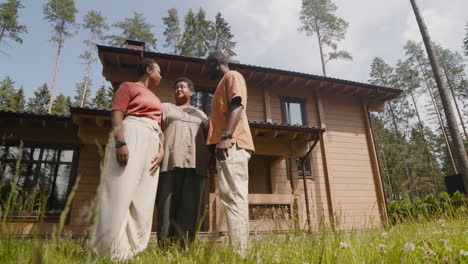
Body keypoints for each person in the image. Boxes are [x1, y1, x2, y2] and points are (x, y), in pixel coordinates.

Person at [92, 58, 164, 260]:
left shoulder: (155, 97)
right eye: (158, 71)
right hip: (132, 133)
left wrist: (162, 150)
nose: (161, 75)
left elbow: (160, 126)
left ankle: (130, 250)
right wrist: (121, 142)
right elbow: (117, 114)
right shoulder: (128, 87)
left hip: (153, 140)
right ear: (148, 70)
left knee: (144, 197)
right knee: (119, 190)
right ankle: (107, 249)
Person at [205, 51, 255, 256]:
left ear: (216, 63)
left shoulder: (232, 76)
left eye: (207, 66)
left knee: (234, 197)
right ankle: (240, 249)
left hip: (232, 143)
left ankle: (240, 252)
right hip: (226, 146)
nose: (205, 70)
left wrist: (226, 136)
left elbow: (238, 104)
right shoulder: (222, 83)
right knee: (230, 197)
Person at [156, 77, 209, 245]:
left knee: (190, 206)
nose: (178, 89)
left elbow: (209, 138)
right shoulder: (165, 108)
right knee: (166, 205)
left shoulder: (201, 114)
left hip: (196, 164)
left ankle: (185, 246)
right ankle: (164, 245)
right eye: (176, 87)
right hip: (169, 163)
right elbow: (155, 130)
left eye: (182, 87)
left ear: (191, 92)